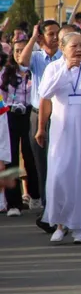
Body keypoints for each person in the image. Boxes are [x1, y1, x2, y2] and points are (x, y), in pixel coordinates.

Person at [37, 32, 81, 243]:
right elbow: (45, 92)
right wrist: (66, 69)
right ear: (63, 48)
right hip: (61, 132)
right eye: (74, 46)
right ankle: (60, 224)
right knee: (59, 177)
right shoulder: (54, 68)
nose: (80, 50)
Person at [18, 20, 62, 230]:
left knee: (60, 163)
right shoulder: (36, 57)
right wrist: (33, 38)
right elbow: (21, 62)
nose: (54, 37)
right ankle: (48, 210)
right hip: (38, 115)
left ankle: (61, 210)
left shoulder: (64, 57)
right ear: (42, 37)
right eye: (50, 34)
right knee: (41, 164)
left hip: (60, 116)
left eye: (57, 33)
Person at [0, 38, 35, 216]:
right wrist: (10, 105)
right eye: (17, 51)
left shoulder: (34, 70)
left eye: (23, 50)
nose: (20, 54)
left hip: (31, 114)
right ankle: (13, 203)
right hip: (11, 114)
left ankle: (35, 195)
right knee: (11, 156)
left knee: (31, 154)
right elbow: (1, 95)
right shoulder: (6, 72)